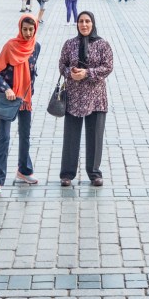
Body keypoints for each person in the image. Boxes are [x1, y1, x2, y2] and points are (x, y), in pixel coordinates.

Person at [59, 11, 113, 187]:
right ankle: (67, 174)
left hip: (96, 97)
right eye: (81, 21)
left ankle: (94, 173)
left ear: (93, 23)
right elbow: (62, 65)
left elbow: (108, 67)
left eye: (87, 21)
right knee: (71, 136)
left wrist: (87, 73)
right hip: (74, 96)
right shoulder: (69, 44)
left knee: (95, 136)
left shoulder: (103, 44)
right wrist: (70, 73)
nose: (84, 25)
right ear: (77, 24)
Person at [0, 15, 40, 196]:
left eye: (30, 29)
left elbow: (32, 72)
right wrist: (7, 89)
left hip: (25, 99)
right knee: (4, 138)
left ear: (35, 29)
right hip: (9, 99)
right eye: (24, 29)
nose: (27, 33)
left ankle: (24, 170)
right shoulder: (10, 46)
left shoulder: (36, 47)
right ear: (20, 28)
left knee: (25, 137)